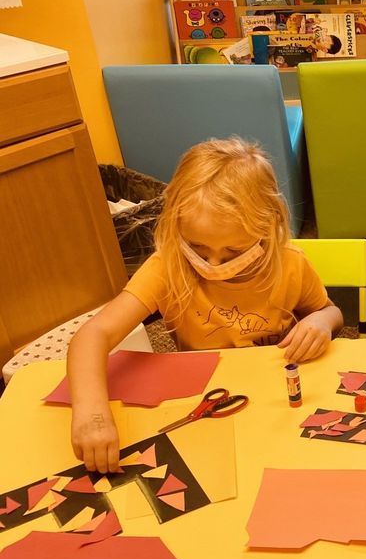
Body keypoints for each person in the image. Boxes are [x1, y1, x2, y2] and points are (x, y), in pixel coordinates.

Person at [67, 138, 342, 472]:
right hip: (207, 403)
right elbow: (93, 335)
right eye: (197, 246)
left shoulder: (291, 265)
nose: (212, 264)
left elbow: (330, 312)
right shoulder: (168, 267)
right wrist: (92, 414)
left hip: (281, 401)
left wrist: (321, 323)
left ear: (267, 228)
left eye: (234, 252)